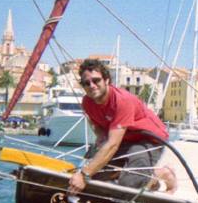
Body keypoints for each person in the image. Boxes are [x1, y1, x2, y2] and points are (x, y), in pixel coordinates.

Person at [68, 59, 177, 195]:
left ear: (107, 80)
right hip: (125, 139)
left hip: (148, 139)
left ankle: (163, 173)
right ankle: (149, 181)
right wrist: (101, 136)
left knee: (128, 184)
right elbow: (95, 124)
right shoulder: (87, 102)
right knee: (98, 175)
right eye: (86, 83)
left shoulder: (122, 101)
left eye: (96, 80)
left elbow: (113, 145)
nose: (91, 85)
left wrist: (84, 175)